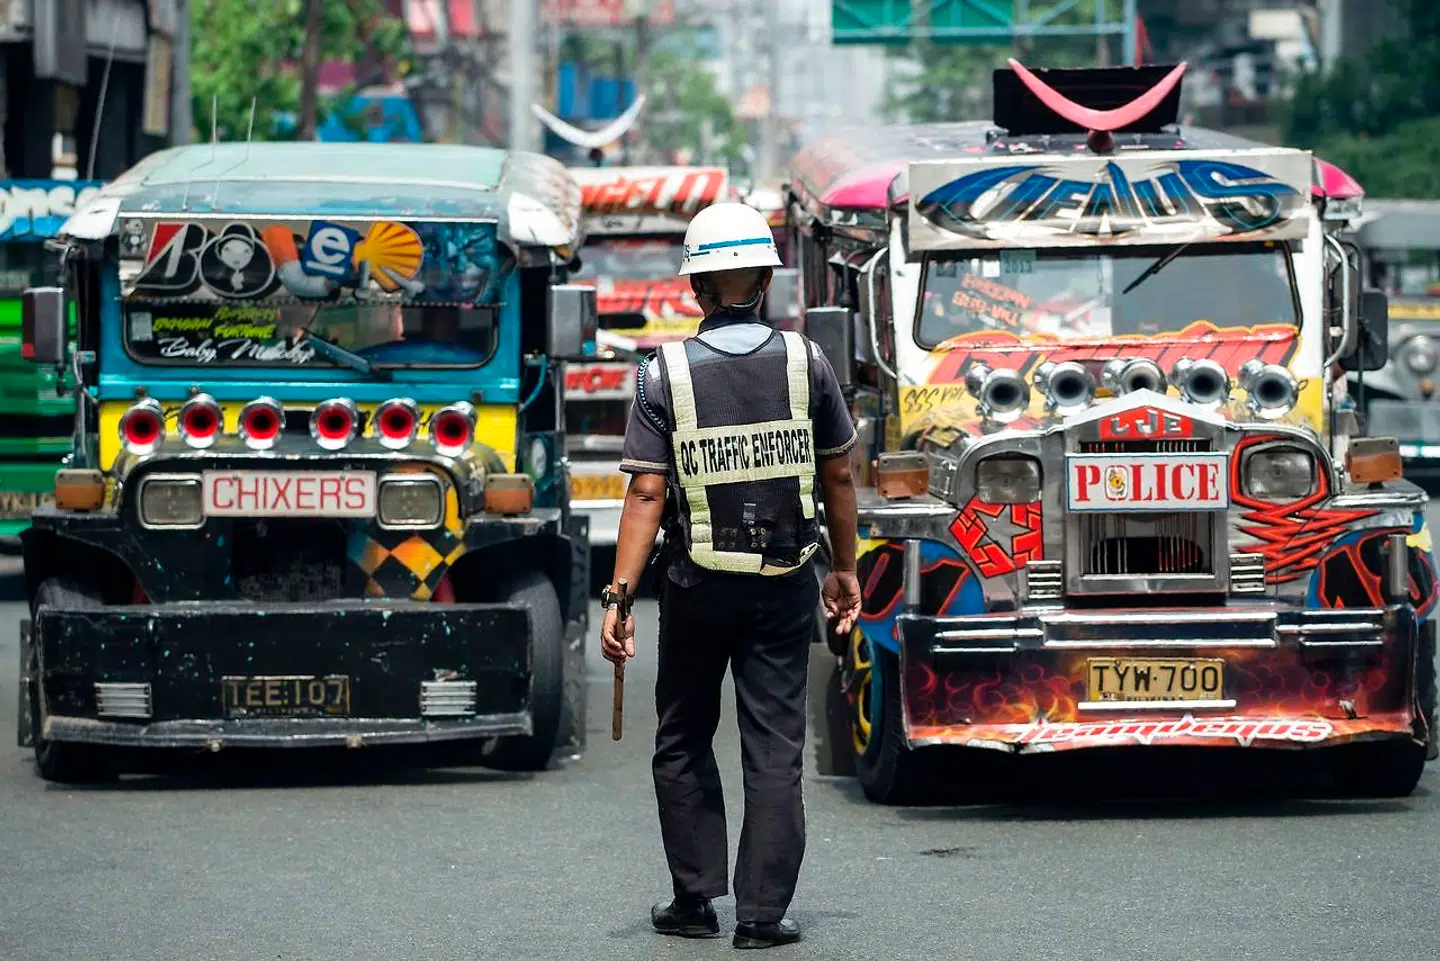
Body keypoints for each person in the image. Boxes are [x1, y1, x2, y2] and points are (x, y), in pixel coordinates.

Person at [599, 202, 863, 950]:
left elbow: (647, 493)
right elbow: (839, 476)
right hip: (785, 581)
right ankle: (761, 915)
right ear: (765, 280)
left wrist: (617, 596)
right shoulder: (806, 362)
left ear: (696, 288)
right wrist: (843, 569)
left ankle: (693, 899)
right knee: (775, 745)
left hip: (694, 583)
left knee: (682, 736)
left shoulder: (664, 373)